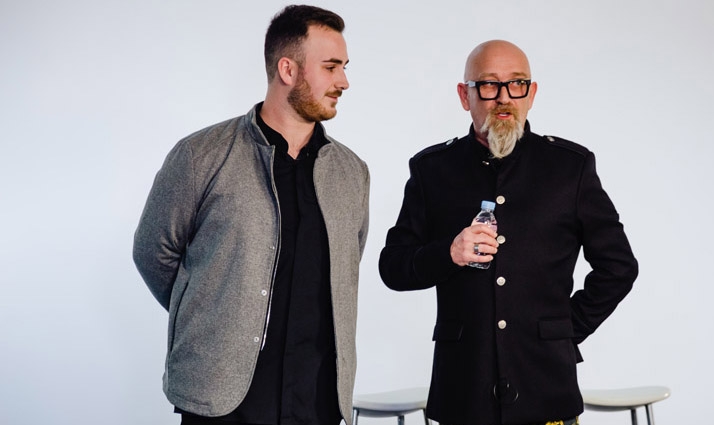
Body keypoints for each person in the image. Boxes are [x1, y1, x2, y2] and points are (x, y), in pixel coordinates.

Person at [379, 39, 638, 425]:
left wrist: (564, 332)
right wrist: (447, 254)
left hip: (547, 388)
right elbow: (393, 268)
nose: (503, 98)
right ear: (464, 96)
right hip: (462, 393)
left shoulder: (570, 167)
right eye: (488, 85)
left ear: (531, 94)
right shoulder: (432, 169)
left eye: (516, 84)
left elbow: (619, 267)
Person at [133, 5, 369, 425]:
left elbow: (348, 269)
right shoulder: (201, 155)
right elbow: (153, 250)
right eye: (331, 67)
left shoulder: (352, 173)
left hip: (318, 403)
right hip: (222, 403)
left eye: (344, 67)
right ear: (288, 70)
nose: (344, 82)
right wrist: (212, 310)